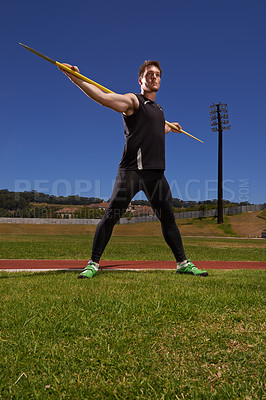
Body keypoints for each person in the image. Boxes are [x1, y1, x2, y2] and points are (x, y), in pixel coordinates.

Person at [59, 60, 208, 278]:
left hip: (156, 174)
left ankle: (183, 263)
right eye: (149, 74)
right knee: (111, 216)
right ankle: (93, 263)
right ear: (141, 80)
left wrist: (170, 126)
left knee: (168, 220)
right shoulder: (132, 101)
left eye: (157, 74)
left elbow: (157, 128)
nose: (154, 77)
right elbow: (103, 98)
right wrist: (74, 77)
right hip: (132, 172)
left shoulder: (158, 109)